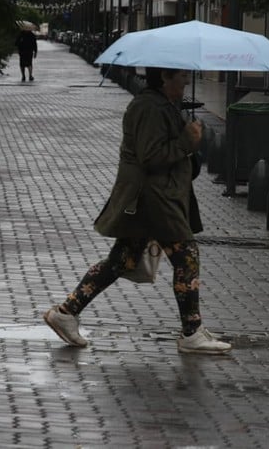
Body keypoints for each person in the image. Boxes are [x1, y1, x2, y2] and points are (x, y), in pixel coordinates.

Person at [43, 67, 231, 354]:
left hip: (154, 197)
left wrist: (187, 142)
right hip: (154, 199)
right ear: (165, 78)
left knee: (122, 260)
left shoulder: (161, 105)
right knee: (186, 256)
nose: (187, 81)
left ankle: (66, 312)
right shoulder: (149, 108)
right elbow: (151, 156)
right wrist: (186, 142)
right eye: (182, 76)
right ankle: (191, 332)